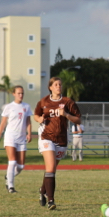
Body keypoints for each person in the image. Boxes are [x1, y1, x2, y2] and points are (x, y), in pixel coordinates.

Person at [34, 77, 82, 209]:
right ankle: (51, 200)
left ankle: (42, 191)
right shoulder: (44, 101)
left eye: (60, 84)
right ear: (50, 87)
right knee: (50, 168)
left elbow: (78, 120)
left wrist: (66, 115)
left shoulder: (67, 101)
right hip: (46, 137)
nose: (58, 86)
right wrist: (39, 119)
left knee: (52, 169)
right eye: (56, 85)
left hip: (61, 139)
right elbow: (36, 115)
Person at [0, 86, 32, 193]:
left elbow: (28, 121)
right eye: (19, 93)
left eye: (22, 93)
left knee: (21, 166)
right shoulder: (9, 107)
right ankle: (10, 186)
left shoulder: (26, 107)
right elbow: (2, 124)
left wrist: (29, 133)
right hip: (10, 136)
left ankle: (8, 176)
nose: (21, 95)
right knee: (12, 161)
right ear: (14, 94)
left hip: (22, 138)